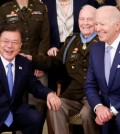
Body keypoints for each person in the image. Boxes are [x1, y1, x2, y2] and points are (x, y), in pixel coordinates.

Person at [23, 5, 100, 134]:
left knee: (86, 115)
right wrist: (32, 59)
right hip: (73, 95)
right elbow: (54, 62)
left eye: (89, 19)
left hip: (95, 96)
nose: (85, 23)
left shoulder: (102, 42)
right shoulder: (72, 41)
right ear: (78, 21)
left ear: (96, 21)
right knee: (55, 107)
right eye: (82, 19)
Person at [0, 24, 61, 134]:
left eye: (14, 42)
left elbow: (34, 85)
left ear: (20, 46)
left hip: (15, 111)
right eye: (5, 41)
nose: (9, 46)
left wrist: (49, 94)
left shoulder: (23, 63)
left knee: (35, 118)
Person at [0, 0, 50, 121]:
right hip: (13, 60)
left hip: (37, 63)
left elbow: (45, 36)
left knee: (38, 103)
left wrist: (40, 63)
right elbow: (3, 39)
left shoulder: (41, 7)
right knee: (15, 100)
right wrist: (13, 54)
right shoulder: (4, 9)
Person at [85, 6, 120, 134]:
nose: (97, 28)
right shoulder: (96, 49)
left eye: (102, 24)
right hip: (103, 111)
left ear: (117, 25)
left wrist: (112, 111)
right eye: (96, 24)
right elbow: (90, 85)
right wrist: (98, 107)